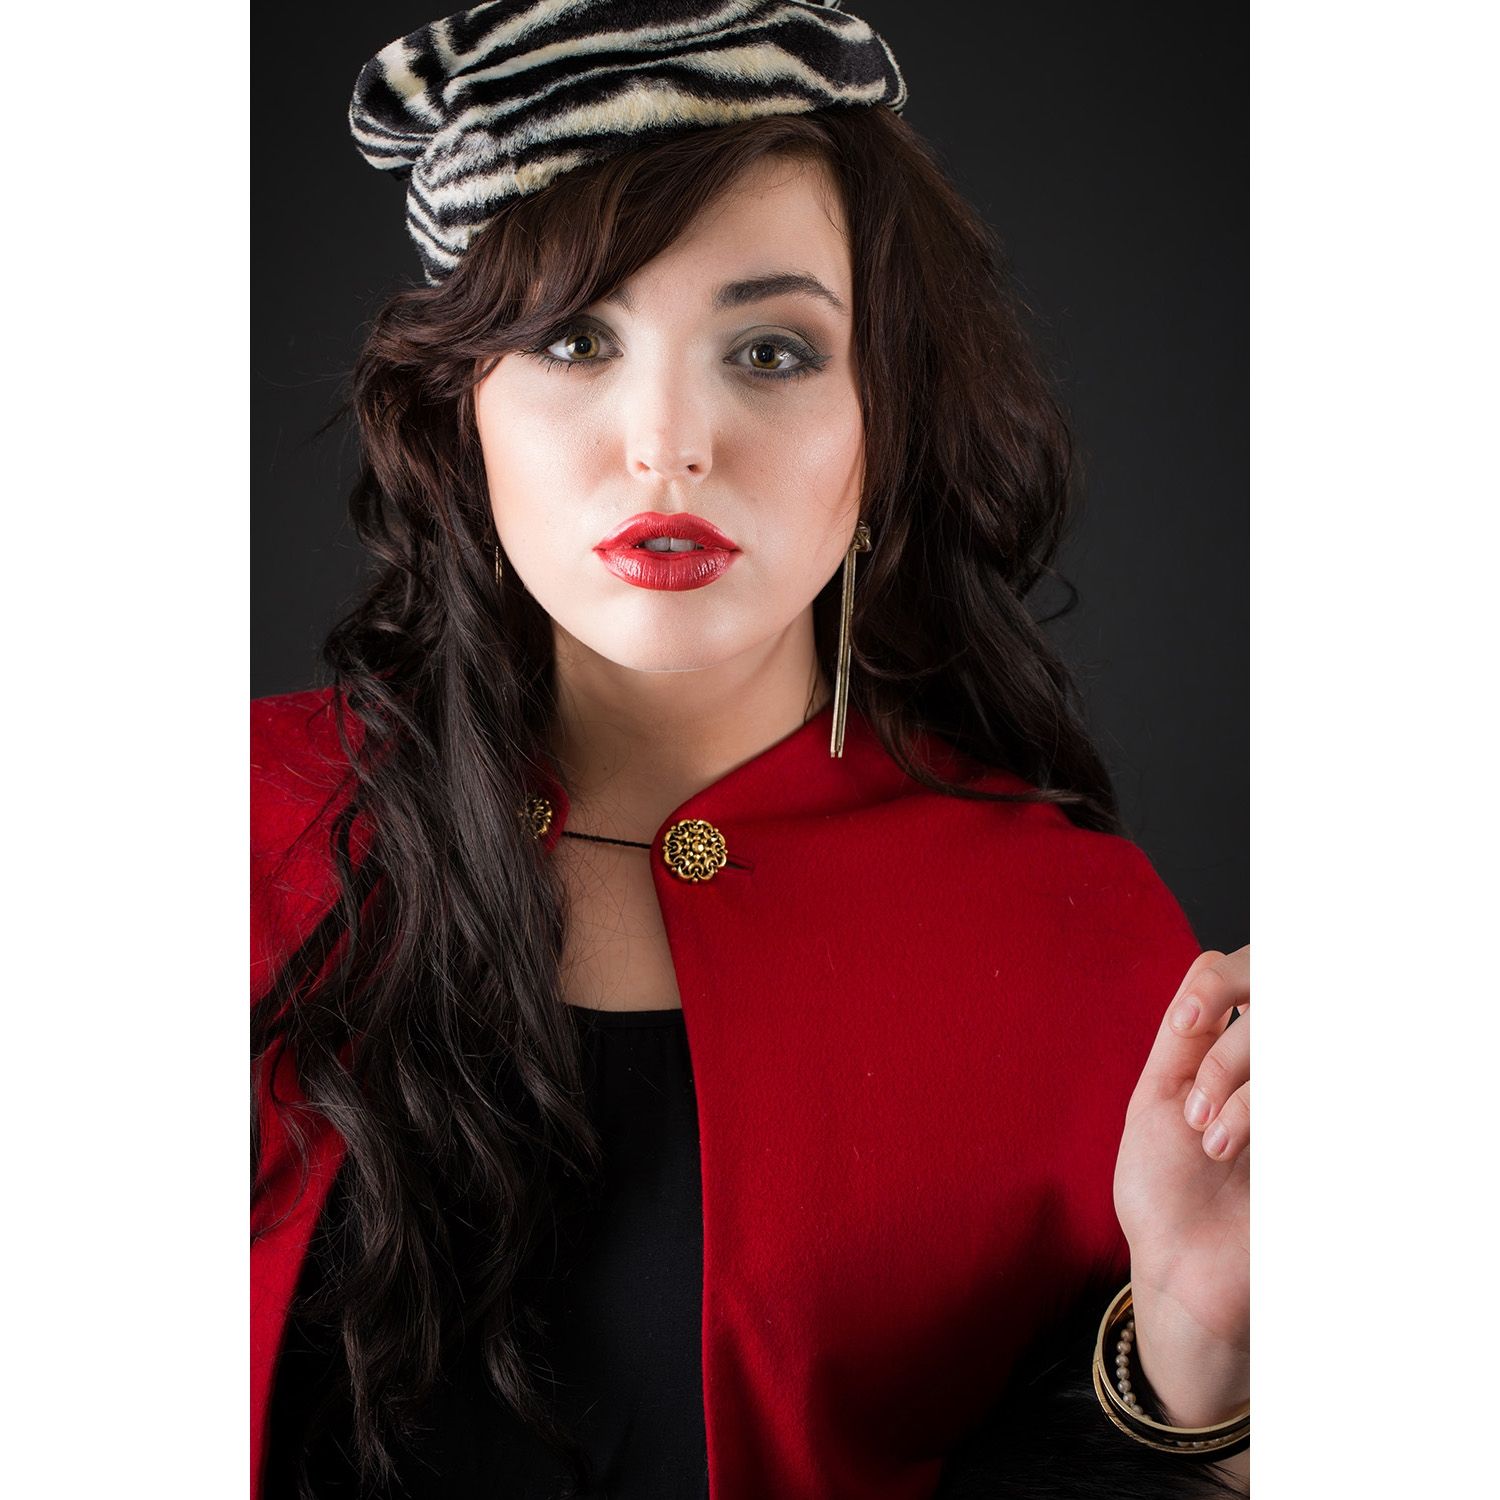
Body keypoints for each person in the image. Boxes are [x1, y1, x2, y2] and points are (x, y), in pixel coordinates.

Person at [251, 4, 1250, 1497]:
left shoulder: (1082, 943)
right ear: (465, 413)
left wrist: (1200, 1366)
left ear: (886, 418)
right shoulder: (212, 831)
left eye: (772, 349)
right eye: (574, 339)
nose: (668, 444)